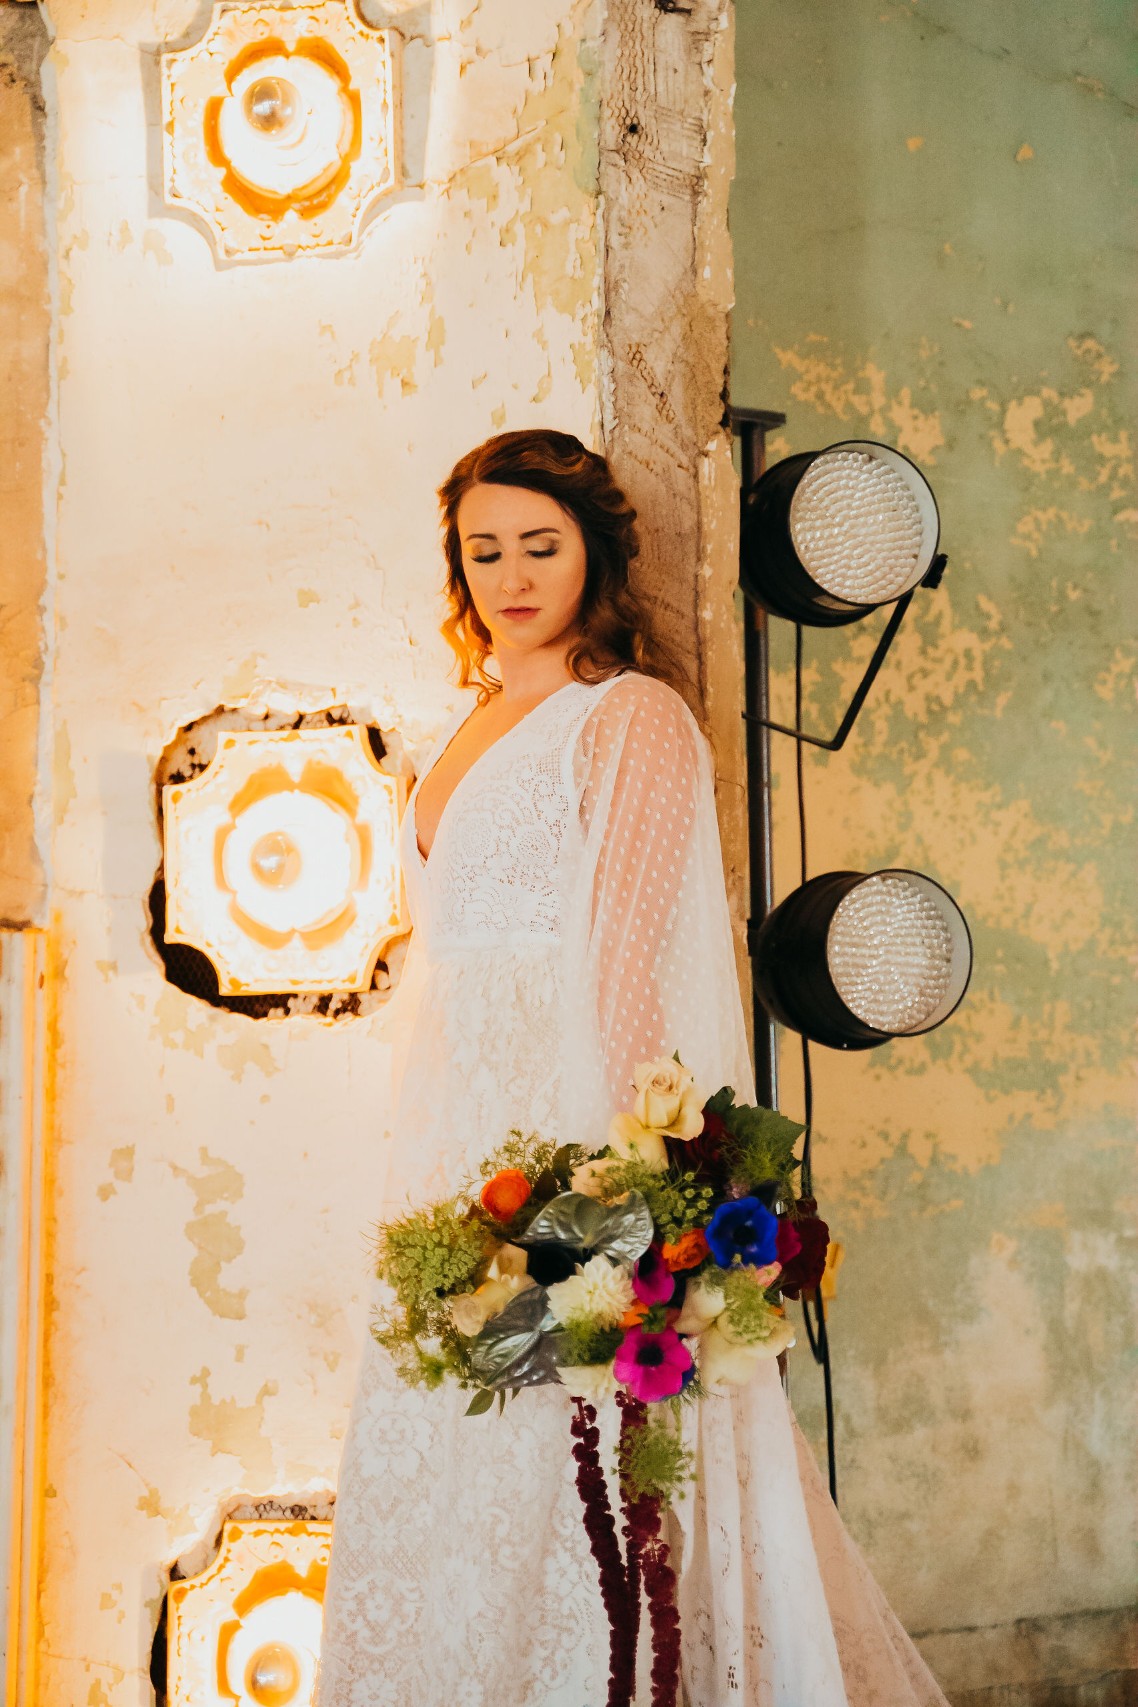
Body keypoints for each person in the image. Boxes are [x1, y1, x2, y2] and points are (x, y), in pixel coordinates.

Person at [315, 429, 947, 1706]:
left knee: (581, 1467)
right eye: (483, 551)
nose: (510, 575)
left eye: (539, 546)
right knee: (459, 1447)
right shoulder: (466, 721)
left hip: (561, 1145)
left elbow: (626, 969)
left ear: (595, 554)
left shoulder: (628, 716)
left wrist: (615, 1201)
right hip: (449, 1141)